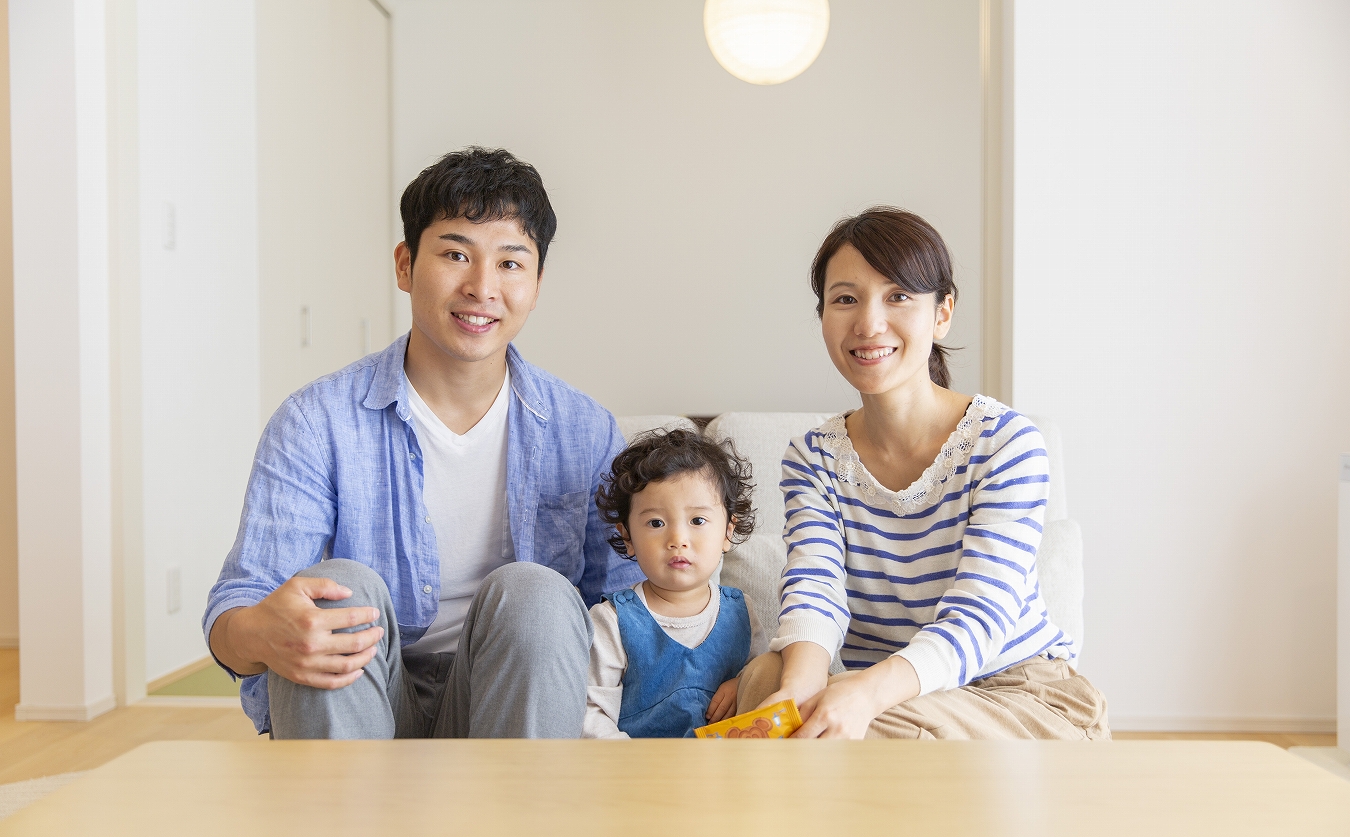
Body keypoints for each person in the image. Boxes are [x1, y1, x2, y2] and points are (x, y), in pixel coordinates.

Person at [203, 147, 641, 739]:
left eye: (510, 263)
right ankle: (342, 825)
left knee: (537, 592)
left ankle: (520, 826)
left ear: (537, 284)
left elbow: (623, 607)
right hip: (360, 705)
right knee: (338, 592)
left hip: (509, 708)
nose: (482, 287)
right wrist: (264, 630)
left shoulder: (585, 431)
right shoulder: (315, 422)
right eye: (455, 254)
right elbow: (236, 613)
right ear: (405, 265)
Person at [739, 207, 1110, 740]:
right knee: (767, 679)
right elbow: (815, 589)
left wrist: (862, 695)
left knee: (872, 726)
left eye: (898, 296)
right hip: (889, 689)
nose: (869, 323)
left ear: (943, 313)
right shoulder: (813, 457)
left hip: (1014, 694)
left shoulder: (1006, 443)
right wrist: (796, 693)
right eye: (846, 299)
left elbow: (978, 621)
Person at [583, 429, 766, 738]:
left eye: (697, 521)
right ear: (627, 536)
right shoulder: (611, 621)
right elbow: (590, 712)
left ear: (727, 532)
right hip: (643, 775)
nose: (678, 540)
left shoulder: (741, 612)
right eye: (656, 523)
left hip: (726, 772)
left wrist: (743, 683)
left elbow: (765, 678)